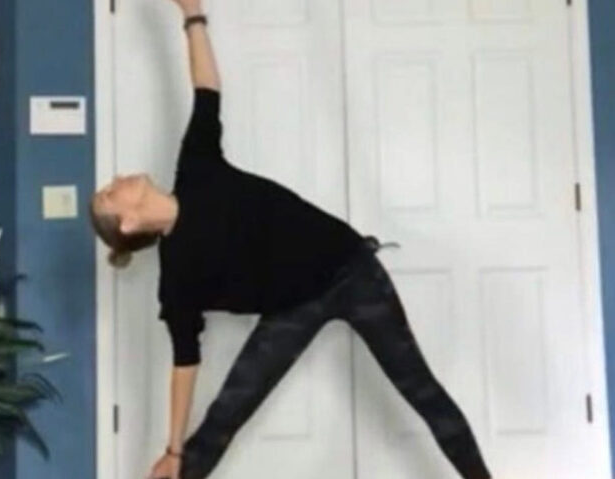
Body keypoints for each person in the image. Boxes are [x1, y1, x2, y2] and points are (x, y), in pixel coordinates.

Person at [89, 0, 493, 478]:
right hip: (291, 310)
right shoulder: (177, 277)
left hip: (351, 270)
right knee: (219, 424)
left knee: (421, 391)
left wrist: (192, 14)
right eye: (111, 194)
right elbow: (185, 362)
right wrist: (173, 450)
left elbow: (206, 88)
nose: (117, 180)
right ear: (129, 224)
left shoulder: (196, 167)